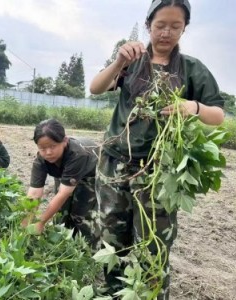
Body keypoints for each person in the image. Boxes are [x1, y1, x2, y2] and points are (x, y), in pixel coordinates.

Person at [89, 0, 225, 298]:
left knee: (153, 245)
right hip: (115, 164)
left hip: (159, 171)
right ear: (148, 24)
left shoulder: (191, 69)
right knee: (112, 239)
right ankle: (114, 293)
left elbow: (218, 115)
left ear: (185, 28)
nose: (166, 32)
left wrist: (193, 106)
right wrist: (118, 61)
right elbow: (96, 88)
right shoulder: (132, 60)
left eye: (175, 26)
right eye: (160, 25)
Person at [21, 119, 103, 249]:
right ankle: (62, 243)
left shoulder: (77, 154)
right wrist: (26, 220)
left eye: (53, 146)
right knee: (61, 213)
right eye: (42, 148)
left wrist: (41, 222)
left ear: (64, 141)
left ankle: (86, 249)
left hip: (90, 175)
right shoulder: (41, 160)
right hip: (65, 172)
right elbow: (34, 193)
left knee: (81, 214)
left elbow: (64, 192)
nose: (48, 152)